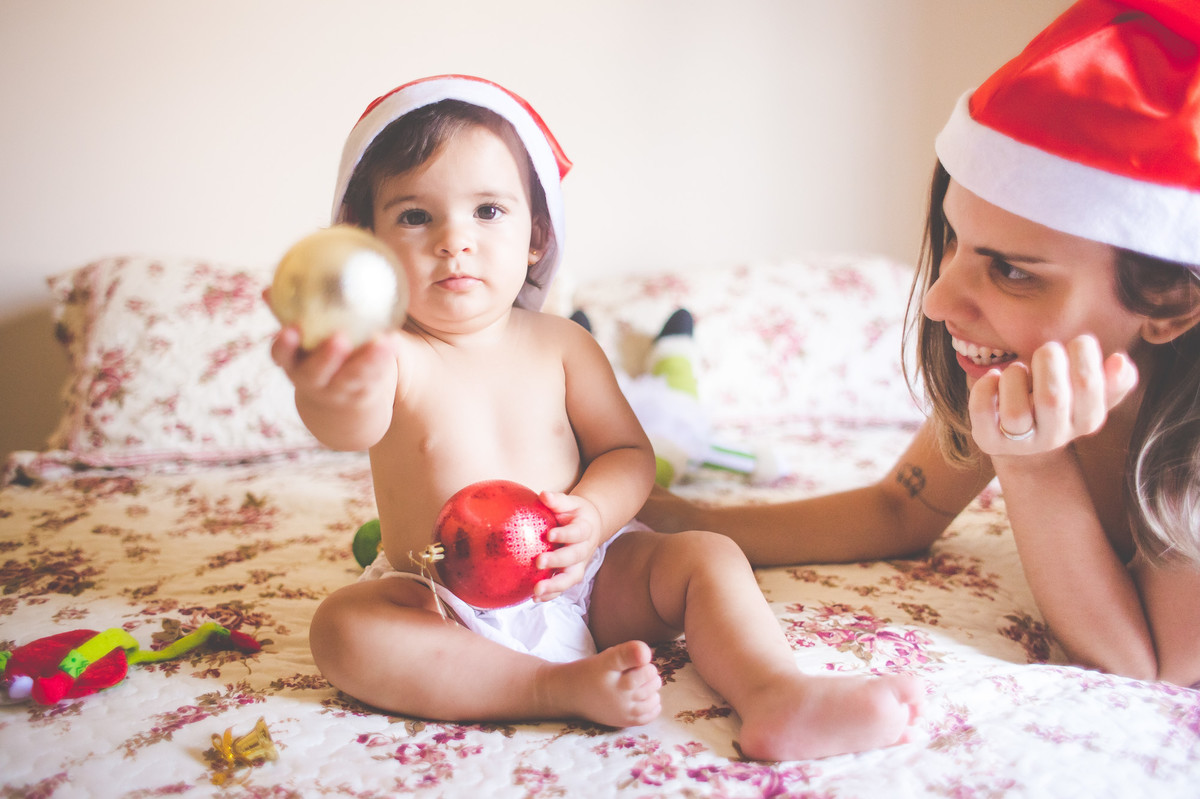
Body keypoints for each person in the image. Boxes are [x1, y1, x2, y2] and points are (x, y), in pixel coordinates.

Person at [269, 75, 923, 761]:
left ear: (536, 236)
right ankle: (550, 686)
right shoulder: (395, 356)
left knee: (705, 554)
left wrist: (593, 517)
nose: (453, 240)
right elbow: (345, 422)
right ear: (366, 246)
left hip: (583, 575)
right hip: (440, 595)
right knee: (343, 628)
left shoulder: (562, 344)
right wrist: (334, 385)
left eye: (488, 211)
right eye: (414, 216)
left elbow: (628, 454)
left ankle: (774, 692)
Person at [640, 0, 1200, 688]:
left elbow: (1151, 666)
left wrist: (1030, 465)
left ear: (1172, 305)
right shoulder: (1016, 368)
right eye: (954, 241)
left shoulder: (1185, 442)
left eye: (1014, 270)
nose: (937, 301)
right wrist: (683, 518)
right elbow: (900, 507)